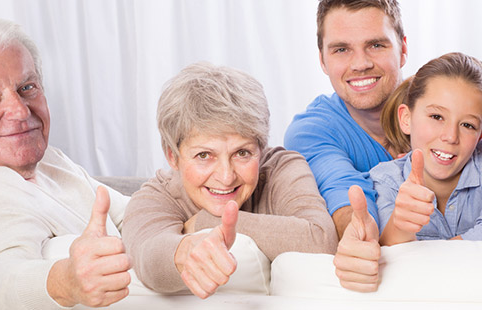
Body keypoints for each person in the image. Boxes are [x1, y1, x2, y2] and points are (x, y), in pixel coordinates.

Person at [284, 0, 482, 292]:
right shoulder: (313, 130)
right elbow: (348, 200)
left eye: (376, 45)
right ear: (323, 60)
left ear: (402, 49)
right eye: (341, 49)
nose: (360, 63)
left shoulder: (458, 102)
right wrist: (362, 237)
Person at [0, 19, 131, 308]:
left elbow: (128, 213)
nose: (19, 110)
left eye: (27, 87)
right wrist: (67, 280)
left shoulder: (46, 161)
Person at [122, 62, 337, 299]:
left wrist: (204, 222)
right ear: (173, 156)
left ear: (261, 149)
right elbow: (147, 258)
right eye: (204, 155)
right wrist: (186, 250)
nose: (226, 176)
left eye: (242, 153)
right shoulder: (156, 196)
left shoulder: (280, 167)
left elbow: (322, 240)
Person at [372, 53, 482, 245]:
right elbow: (393, 256)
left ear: (481, 135)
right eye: (436, 117)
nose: (451, 137)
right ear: (406, 119)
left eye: (468, 125)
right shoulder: (385, 181)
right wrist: (400, 226)